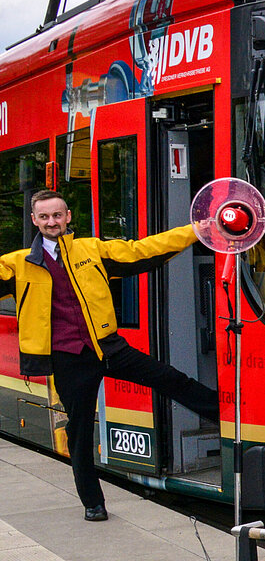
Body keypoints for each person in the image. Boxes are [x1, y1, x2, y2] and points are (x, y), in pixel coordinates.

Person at [0, 188, 218, 522]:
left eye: (57, 215)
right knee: (79, 430)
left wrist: (197, 230)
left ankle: (226, 417)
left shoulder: (93, 250)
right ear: (34, 220)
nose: (51, 222)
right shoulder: (17, 264)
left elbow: (145, 250)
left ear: (68, 216)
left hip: (108, 347)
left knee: (170, 378)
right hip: (66, 357)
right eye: (43, 217)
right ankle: (93, 502)